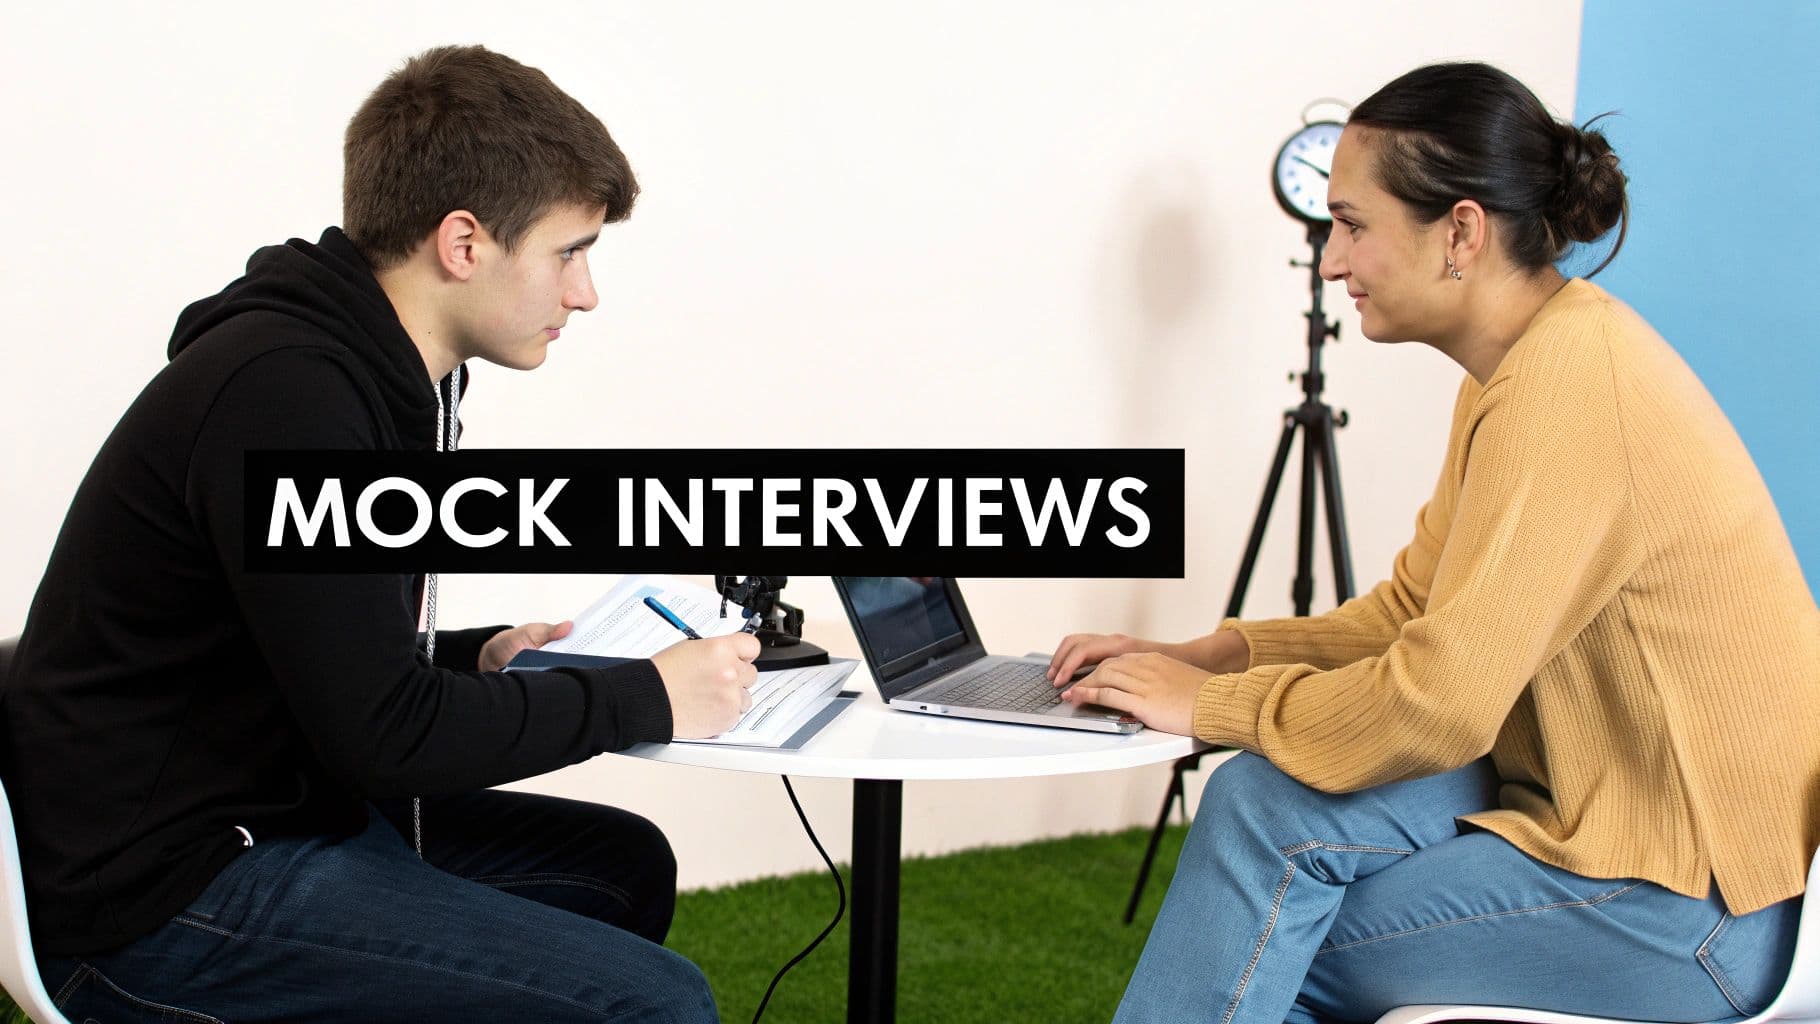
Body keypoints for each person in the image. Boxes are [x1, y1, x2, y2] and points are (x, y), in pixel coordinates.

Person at [0, 45, 758, 1022]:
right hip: (164, 899)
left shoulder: (387, 373)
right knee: (652, 1004)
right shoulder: (290, 398)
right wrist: (641, 696)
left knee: (617, 869)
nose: (583, 293)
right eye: (569, 251)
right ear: (463, 243)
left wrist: (466, 656)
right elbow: (386, 740)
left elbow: (312, 645)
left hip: (269, 807)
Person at [1047, 62, 1818, 1023]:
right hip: (1590, 804)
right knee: (1260, 807)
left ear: (1460, 230)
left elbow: (1439, 707)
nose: (1330, 262)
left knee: (1263, 944)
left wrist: (1213, 704)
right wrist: (1209, 654)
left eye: (1354, 224)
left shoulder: (1570, 390)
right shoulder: (1524, 368)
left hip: (1695, 906)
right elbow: (1416, 615)